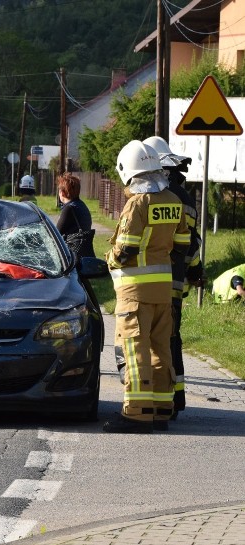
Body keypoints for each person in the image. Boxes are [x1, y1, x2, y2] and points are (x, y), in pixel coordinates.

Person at [103, 140, 191, 434]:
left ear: (128, 171)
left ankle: (137, 414)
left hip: (134, 293)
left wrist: (109, 257)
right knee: (160, 348)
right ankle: (161, 409)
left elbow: (125, 249)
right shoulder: (173, 201)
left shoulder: (137, 204)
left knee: (134, 349)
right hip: (163, 291)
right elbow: (181, 246)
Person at [143, 136, 204, 416]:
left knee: (152, 341)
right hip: (175, 282)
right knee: (171, 340)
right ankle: (174, 400)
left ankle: (155, 402)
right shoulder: (187, 199)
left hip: (149, 283)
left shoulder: (151, 197)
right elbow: (191, 244)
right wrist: (194, 271)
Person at [55, 173, 95, 258]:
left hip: (74, 255)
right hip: (85, 252)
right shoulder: (81, 205)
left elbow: (56, 233)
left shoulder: (69, 209)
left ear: (62, 192)